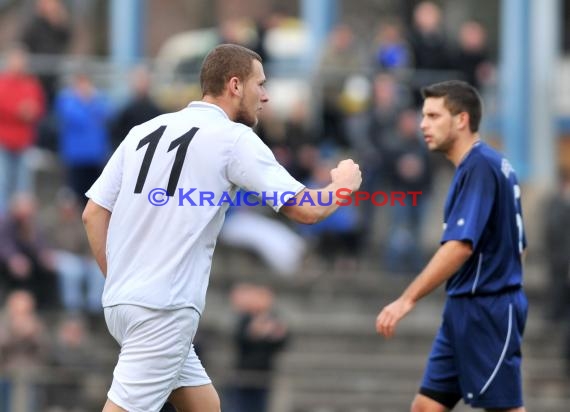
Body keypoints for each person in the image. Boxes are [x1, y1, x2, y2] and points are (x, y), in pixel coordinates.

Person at [82, 44, 361, 412]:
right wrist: (343, 186)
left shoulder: (143, 131)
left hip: (124, 302)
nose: (265, 95)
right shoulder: (233, 139)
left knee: (205, 406)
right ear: (234, 85)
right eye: (259, 84)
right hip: (163, 307)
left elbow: (93, 213)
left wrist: (118, 277)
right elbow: (305, 210)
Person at [376, 80, 527, 411]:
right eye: (423, 116)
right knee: (426, 407)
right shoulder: (490, 164)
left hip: (486, 309)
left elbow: (459, 245)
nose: (422, 124)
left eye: (433, 116)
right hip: (466, 306)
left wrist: (406, 299)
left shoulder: (479, 166)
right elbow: (520, 247)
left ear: (461, 120)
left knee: (505, 409)